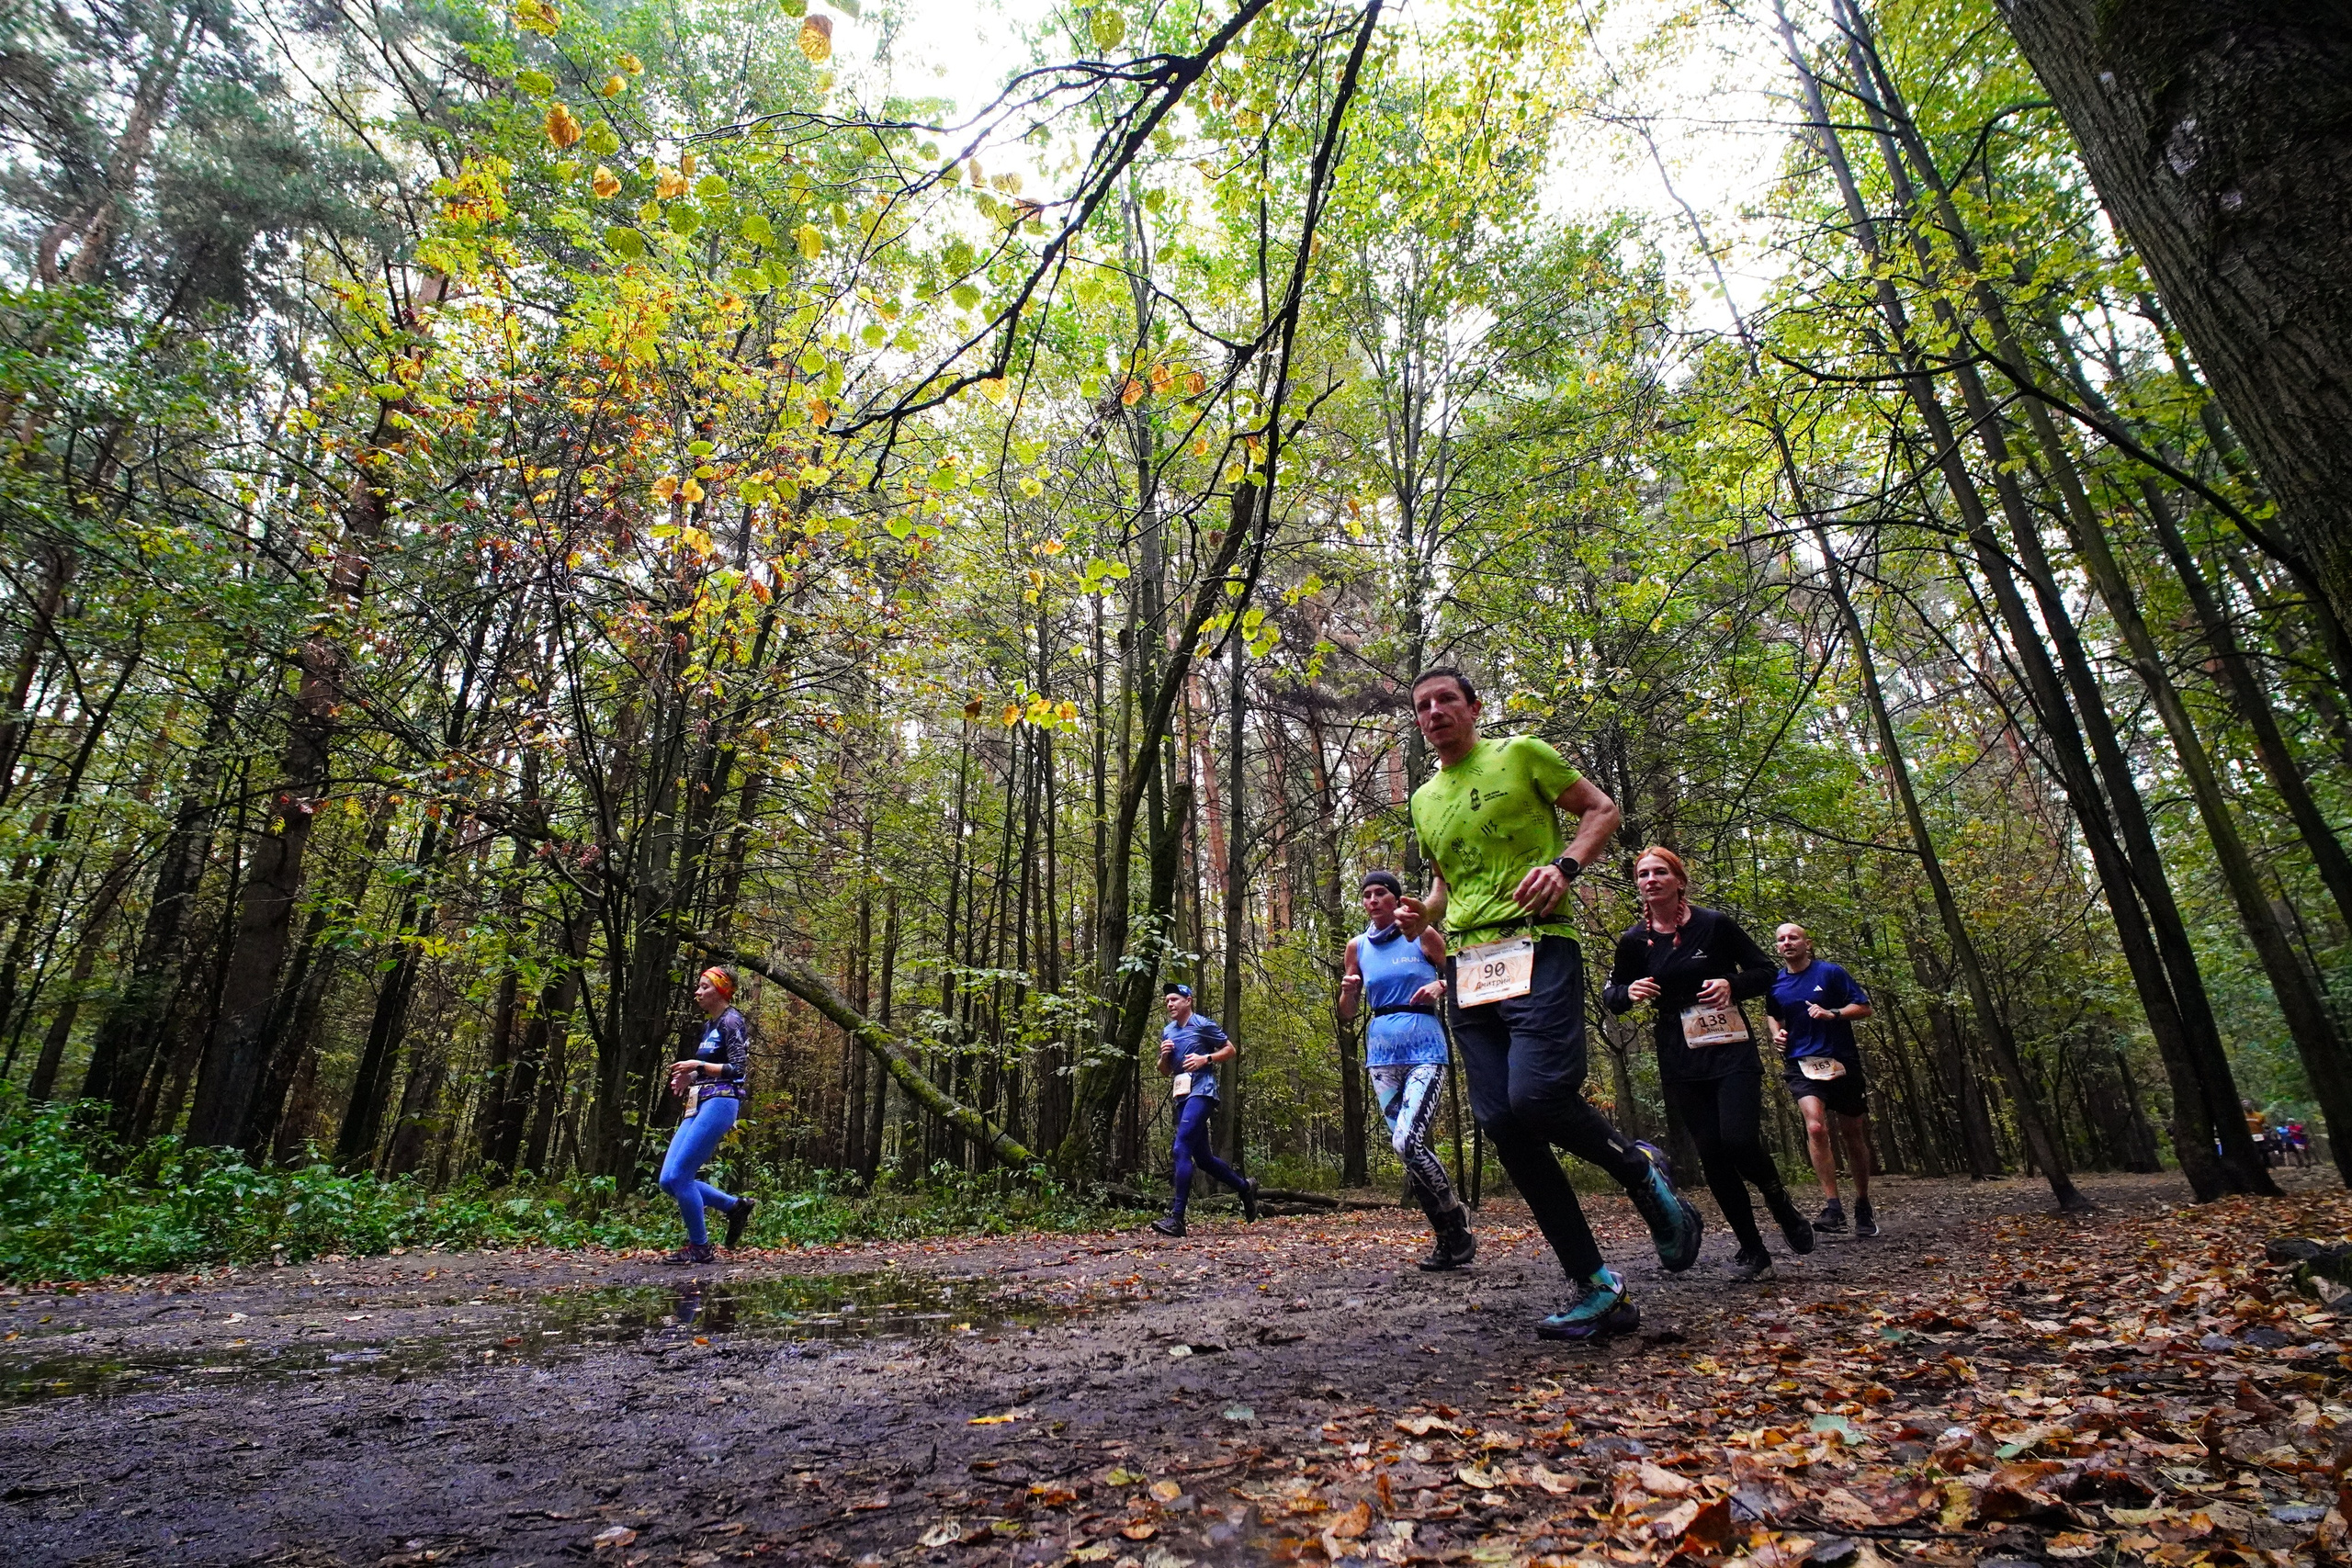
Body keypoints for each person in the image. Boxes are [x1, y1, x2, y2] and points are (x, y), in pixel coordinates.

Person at [1396, 668, 1702, 1342]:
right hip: (1472, 968)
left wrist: (1564, 866)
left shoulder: (1522, 754)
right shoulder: (1424, 798)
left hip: (1539, 945)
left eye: (1447, 698)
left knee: (1538, 1096)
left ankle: (1638, 1169)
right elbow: (1446, 885)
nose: (1435, 711)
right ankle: (1598, 1286)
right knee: (1504, 1122)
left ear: (1474, 707)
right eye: (1423, 705)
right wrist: (1423, 915)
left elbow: (1603, 809)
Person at [1602, 850, 1814, 1284]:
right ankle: (1752, 1248)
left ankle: (1781, 1204)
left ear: (1679, 880)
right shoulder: (1634, 940)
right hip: (1680, 1054)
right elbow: (1613, 994)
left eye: (1661, 872)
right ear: (1638, 885)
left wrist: (1730, 983)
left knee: (1738, 1139)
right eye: (1643, 874)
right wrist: (1630, 992)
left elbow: (1765, 972)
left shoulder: (1714, 924)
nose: (1651, 879)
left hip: (1730, 1047)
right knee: (1712, 1152)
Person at [1340, 869, 1474, 1271]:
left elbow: (1462, 969)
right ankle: (1448, 1239)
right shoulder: (1357, 946)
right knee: (1410, 1151)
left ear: (1397, 900)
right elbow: (1347, 1015)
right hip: (1381, 1053)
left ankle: (1454, 1214)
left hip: (1424, 1046)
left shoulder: (1422, 934)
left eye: (1381, 893)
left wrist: (1441, 987)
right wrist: (1348, 994)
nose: (1373, 900)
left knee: (1407, 1142)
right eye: (1367, 895)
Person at [1766, 923, 1878, 1238]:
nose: (1787, 943)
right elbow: (1773, 1013)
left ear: (1807, 943)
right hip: (1801, 1063)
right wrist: (1778, 1034)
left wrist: (1834, 1014)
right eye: (1781, 939)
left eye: (1793, 937)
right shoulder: (1775, 981)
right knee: (1815, 1126)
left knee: (1853, 1133)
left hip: (1841, 1061)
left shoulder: (1830, 973)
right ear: (1777, 947)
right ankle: (1833, 1207)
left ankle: (1862, 1203)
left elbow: (1865, 1008)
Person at [660, 966, 758, 1265]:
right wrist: (689, 1078)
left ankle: (700, 1248)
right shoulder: (709, 1026)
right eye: (698, 986)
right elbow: (708, 1067)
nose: (697, 992)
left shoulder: (732, 1021)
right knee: (668, 1180)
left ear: (721, 991)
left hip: (722, 1102)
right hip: (699, 1100)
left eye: (704, 987)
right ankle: (734, 1207)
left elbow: (738, 1069)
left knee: (681, 1177)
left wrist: (697, 1067)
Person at [1151, 983, 1260, 1237]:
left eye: (1175, 999)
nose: (1169, 1004)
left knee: (1180, 1148)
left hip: (1203, 1091)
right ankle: (1245, 1187)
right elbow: (1165, 1071)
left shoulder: (1202, 1024)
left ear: (1188, 1001)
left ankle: (1177, 1219)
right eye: (1167, 1000)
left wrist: (1205, 1059)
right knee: (1203, 1159)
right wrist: (1164, 1057)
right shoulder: (1168, 1031)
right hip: (1182, 1095)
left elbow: (1230, 1049)